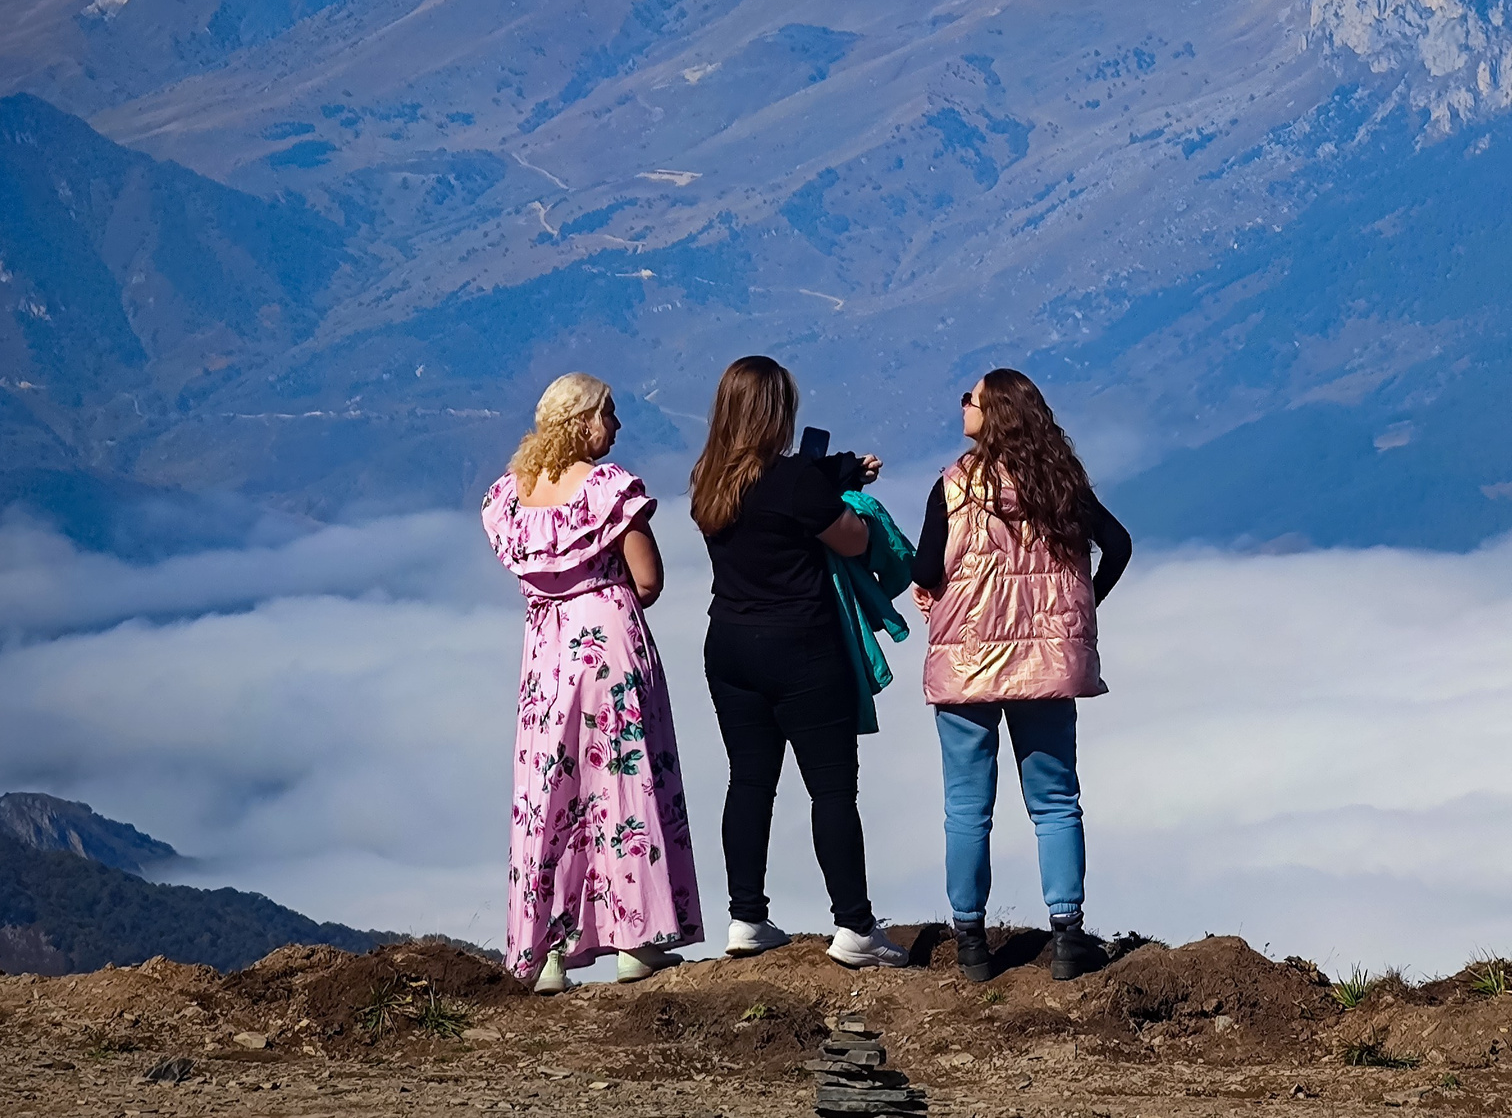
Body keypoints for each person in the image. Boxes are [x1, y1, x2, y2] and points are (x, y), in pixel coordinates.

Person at [481, 372, 701, 995]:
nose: (618, 427)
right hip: (607, 644)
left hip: (546, 651)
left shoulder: (510, 497)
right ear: (583, 423)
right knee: (623, 783)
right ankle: (638, 939)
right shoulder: (609, 490)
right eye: (609, 414)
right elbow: (649, 578)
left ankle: (545, 951)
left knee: (549, 791)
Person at [691, 354, 910, 968]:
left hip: (729, 646)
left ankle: (745, 918)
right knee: (833, 790)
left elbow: (782, 495)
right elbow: (855, 539)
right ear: (775, 413)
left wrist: (828, 472)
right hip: (803, 649)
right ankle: (855, 927)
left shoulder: (708, 478)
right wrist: (843, 483)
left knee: (750, 781)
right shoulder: (794, 483)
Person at [915, 367, 1132, 982]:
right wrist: (1079, 607)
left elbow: (929, 565)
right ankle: (1067, 939)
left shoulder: (954, 485)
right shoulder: (1062, 484)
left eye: (970, 399)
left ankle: (971, 945)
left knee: (966, 807)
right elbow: (1118, 546)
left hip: (966, 665)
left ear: (995, 414)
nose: (962, 406)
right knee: (1056, 801)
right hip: (1047, 667)